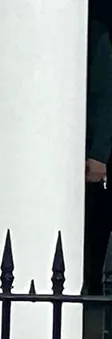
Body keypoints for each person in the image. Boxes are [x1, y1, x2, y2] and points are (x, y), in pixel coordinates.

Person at [87, 6, 112, 294]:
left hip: (89, 146)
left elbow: (105, 99)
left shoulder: (97, 36)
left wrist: (98, 153)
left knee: (97, 220)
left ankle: (93, 283)